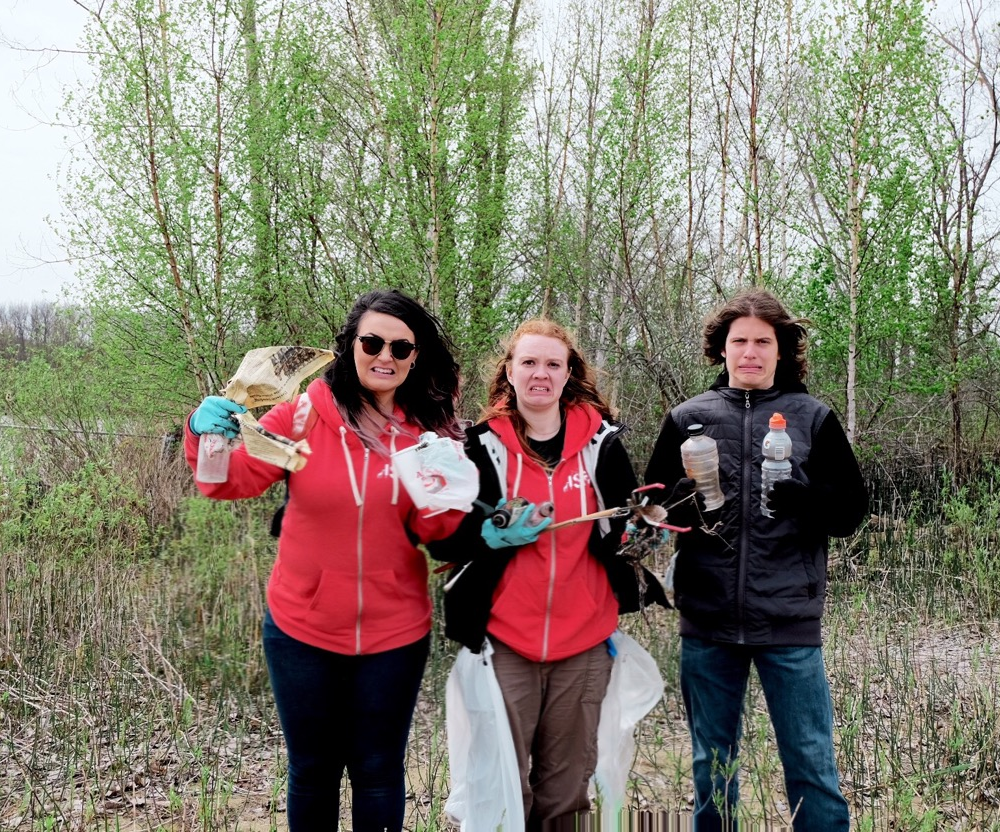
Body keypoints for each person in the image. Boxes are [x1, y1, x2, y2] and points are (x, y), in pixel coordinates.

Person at [184, 289, 466, 831]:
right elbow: (228, 484)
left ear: (416, 356)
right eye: (372, 342)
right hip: (302, 629)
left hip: (395, 632)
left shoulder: (429, 433)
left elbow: (439, 533)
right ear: (351, 346)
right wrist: (205, 435)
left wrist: (454, 500)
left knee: (379, 769)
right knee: (313, 770)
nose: (385, 356)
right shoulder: (305, 412)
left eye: (401, 348)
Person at [429, 319, 668, 829]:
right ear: (509, 373)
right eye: (529, 362)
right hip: (504, 642)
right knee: (502, 791)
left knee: (565, 793)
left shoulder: (601, 445)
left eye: (552, 364)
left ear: (568, 375)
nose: (541, 374)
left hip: (583, 644)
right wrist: (492, 533)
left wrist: (645, 532)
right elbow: (448, 536)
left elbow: (622, 529)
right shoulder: (478, 446)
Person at [643, 288, 868, 832]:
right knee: (712, 767)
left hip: (788, 619)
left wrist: (806, 497)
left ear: (781, 350)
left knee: (812, 764)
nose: (750, 352)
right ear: (721, 348)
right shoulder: (686, 418)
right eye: (738, 340)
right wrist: (672, 501)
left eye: (762, 342)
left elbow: (852, 512)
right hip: (708, 620)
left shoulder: (813, 418)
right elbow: (649, 512)